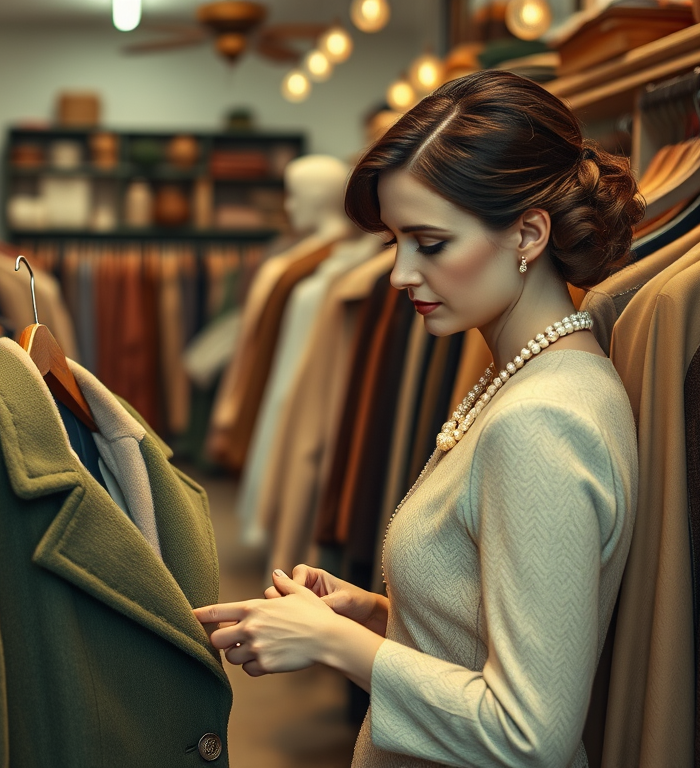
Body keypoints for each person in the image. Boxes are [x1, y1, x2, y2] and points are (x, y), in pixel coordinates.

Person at [194, 69, 643, 768]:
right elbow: (492, 633)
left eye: (429, 243)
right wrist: (376, 615)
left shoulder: (542, 419)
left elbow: (530, 734)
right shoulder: (528, 377)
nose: (402, 273)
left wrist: (336, 646)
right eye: (395, 242)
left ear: (528, 233)